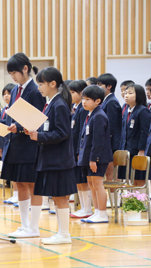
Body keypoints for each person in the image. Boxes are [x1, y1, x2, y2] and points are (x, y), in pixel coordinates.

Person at [26, 67, 76, 245]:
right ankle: (62, 233)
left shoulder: (59, 105)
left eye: (41, 84)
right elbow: (50, 128)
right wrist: (35, 131)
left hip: (59, 160)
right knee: (56, 196)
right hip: (52, 158)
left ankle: (64, 234)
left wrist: (39, 136)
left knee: (60, 196)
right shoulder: (52, 103)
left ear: (52, 84)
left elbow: (62, 133)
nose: (39, 87)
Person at [0, 52, 45, 238]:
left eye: (14, 73)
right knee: (19, 184)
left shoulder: (35, 90)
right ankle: (25, 225)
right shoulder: (17, 90)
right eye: (10, 74)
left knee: (32, 184)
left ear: (25, 69)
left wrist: (17, 127)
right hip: (15, 144)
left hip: (29, 145)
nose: (13, 77)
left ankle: (34, 227)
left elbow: (38, 119)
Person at [77, 86, 113, 223]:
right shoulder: (90, 114)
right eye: (83, 99)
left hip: (98, 157)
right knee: (91, 184)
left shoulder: (99, 116)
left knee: (97, 184)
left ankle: (102, 213)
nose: (84, 102)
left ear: (98, 101)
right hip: (89, 156)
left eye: (87, 99)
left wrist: (93, 159)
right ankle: (96, 211)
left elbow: (98, 141)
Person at [97, 73, 122, 207]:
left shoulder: (112, 102)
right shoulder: (106, 100)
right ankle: (112, 199)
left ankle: (115, 200)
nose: (98, 87)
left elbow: (111, 126)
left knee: (112, 173)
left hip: (113, 143)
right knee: (108, 172)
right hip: (108, 143)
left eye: (100, 84)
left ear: (109, 86)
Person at [68, 80, 93, 218]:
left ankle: (87, 208)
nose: (70, 95)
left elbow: (82, 133)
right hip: (74, 149)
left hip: (80, 150)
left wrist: (78, 151)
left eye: (73, 92)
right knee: (78, 181)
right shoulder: (76, 108)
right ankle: (83, 207)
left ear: (81, 93)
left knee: (83, 181)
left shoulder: (83, 110)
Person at [118, 84, 151, 186]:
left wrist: (141, 151)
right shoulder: (126, 111)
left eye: (130, 93)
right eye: (126, 93)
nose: (126, 95)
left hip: (137, 151)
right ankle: (131, 200)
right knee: (129, 180)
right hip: (127, 151)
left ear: (139, 95)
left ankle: (140, 201)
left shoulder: (142, 110)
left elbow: (144, 132)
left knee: (139, 180)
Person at [0, 83, 17, 204]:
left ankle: (17, 194)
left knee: (17, 172)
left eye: (9, 94)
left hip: (16, 142)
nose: (6, 96)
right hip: (7, 141)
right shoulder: (4, 109)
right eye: (4, 94)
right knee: (12, 172)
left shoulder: (15, 109)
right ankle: (15, 194)